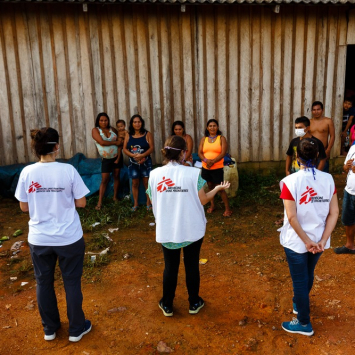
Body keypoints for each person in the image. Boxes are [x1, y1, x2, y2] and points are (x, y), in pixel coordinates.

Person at [14, 127, 92, 342]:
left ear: (36, 148)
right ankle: (76, 329)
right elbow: (82, 202)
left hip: (39, 239)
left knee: (43, 282)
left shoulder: (27, 172)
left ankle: (50, 329)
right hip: (69, 237)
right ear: (57, 146)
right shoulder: (68, 170)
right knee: (72, 283)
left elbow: (23, 207)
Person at [147, 135, 230, 316]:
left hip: (167, 228)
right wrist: (216, 189)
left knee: (170, 267)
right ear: (184, 153)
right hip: (191, 228)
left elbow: (153, 199)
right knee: (191, 265)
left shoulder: (154, 175)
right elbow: (203, 200)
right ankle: (194, 302)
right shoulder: (193, 174)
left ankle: (167, 304)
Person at [279, 138, 338, 336]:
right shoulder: (328, 180)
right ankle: (299, 302)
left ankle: (304, 323)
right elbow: (334, 213)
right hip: (319, 240)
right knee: (307, 274)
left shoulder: (290, 181)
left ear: (297, 158)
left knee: (300, 281)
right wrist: (321, 240)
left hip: (297, 242)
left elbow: (291, 217)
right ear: (318, 156)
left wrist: (306, 241)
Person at [198, 119, 232, 217]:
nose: (212, 127)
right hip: (206, 167)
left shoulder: (221, 138)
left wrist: (213, 161)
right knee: (210, 186)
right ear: (207, 128)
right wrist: (206, 160)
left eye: (214, 126)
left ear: (217, 127)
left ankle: (227, 209)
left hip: (217, 167)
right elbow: (200, 152)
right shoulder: (204, 139)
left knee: (220, 188)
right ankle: (212, 205)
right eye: (210, 126)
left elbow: (223, 153)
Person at [123, 114, 154, 211]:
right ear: (132, 124)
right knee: (135, 183)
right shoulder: (128, 135)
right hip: (133, 163)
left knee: (146, 182)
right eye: (135, 122)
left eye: (139, 122)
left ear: (142, 123)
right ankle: (135, 203)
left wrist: (142, 155)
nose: (137, 124)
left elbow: (151, 148)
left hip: (146, 162)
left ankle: (148, 202)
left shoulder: (147, 134)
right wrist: (133, 156)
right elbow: (124, 148)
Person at [92, 112, 121, 210]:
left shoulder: (112, 129)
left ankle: (115, 197)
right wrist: (115, 142)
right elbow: (102, 142)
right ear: (98, 121)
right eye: (101, 120)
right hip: (106, 159)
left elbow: (120, 142)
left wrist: (119, 156)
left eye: (105, 120)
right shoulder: (95, 130)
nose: (104, 122)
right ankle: (99, 202)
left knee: (117, 176)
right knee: (104, 179)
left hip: (117, 157)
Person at [334, 143, 355, 254]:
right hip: (350, 190)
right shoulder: (353, 147)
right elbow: (344, 167)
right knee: (348, 219)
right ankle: (349, 245)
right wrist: (346, 166)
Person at [309, 101, 335, 173]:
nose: (316, 112)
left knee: (323, 174)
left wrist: (328, 150)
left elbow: (332, 136)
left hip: (323, 151)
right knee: (310, 174)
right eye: (314, 110)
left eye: (318, 109)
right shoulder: (309, 122)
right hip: (311, 151)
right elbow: (306, 137)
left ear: (322, 110)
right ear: (311, 111)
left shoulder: (328, 121)